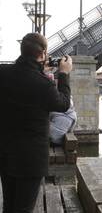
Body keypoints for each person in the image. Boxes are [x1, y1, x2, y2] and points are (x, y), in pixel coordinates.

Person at [0, 33, 72, 213]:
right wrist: (63, 74)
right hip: (30, 160)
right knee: (23, 209)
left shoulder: (3, 73)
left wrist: (40, 71)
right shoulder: (43, 85)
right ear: (43, 54)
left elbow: (23, 79)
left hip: (5, 153)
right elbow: (63, 104)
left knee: (9, 204)